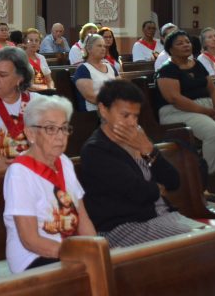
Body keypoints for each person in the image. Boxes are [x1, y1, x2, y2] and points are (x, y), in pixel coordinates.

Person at [79, 80, 204, 248]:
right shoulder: (96, 150)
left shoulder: (138, 138)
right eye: (125, 115)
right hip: (123, 228)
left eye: (135, 116)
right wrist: (158, 188)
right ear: (103, 109)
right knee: (201, 243)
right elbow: (137, 191)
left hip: (161, 217)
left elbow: (173, 181)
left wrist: (149, 150)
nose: (132, 122)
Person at [3, 94, 95, 273]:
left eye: (64, 128)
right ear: (31, 133)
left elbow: (82, 217)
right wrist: (78, 254)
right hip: (33, 258)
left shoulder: (64, 162)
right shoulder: (19, 173)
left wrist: (97, 250)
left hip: (69, 249)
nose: (60, 136)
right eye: (51, 129)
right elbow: (30, 239)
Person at [154, 29, 215, 173]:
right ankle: (207, 176)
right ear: (170, 49)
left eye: (187, 42)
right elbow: (175, 99)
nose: (186, 45)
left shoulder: (197, 64)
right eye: (180, 43)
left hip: (205, 107)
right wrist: (207, 112)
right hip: (176, 112)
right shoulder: (167, 70)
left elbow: (213, 89)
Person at [72, 34, 119, 112]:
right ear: (89, 49)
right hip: (93, 114)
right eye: (99, 46)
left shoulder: (110, 67)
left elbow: (122, 88)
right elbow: (90, 96)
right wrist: (113, 104)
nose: (103, 49)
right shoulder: (83, 69)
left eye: (104, 46)